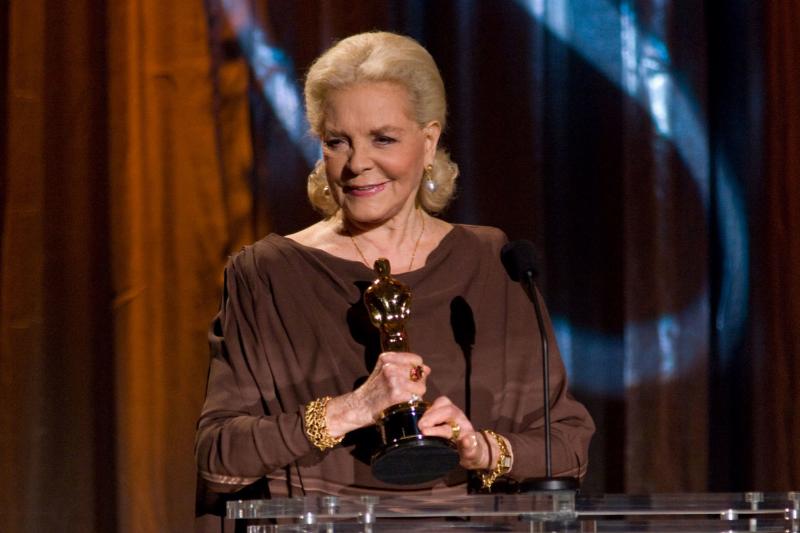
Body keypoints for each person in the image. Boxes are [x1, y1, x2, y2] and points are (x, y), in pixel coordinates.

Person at [195, 31, 594, 507]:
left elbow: (567, 446)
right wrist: (351, 409)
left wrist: (481, 448)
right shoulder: (266, 275)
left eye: (383, 139)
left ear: (428, 142)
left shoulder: (493, 264)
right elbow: (218, 459)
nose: (357, 163)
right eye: (337, 142)